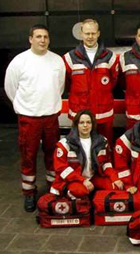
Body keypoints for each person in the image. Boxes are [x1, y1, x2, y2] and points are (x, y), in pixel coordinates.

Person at [4, 24, 66, 212]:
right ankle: (29, 193)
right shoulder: (19, 61)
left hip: (51, 116)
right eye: (38, 36)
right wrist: (24, 106)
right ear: (30, 39)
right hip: (29, 117)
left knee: (53, 154)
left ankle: (52, 188)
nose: (42, 40)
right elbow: (10, 88)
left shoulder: (57, 61)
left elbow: (60, 88)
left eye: (45, 37)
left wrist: (49, 104)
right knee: (28, 155)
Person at [63, 19, 119, 146]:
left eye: (93, 33)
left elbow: (114, 81)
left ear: (98, 33)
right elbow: (66, 84)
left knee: (105, 147)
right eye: (87, 33)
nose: (90, 37)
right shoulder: (69, 58)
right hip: (80, 114)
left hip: (103, 112)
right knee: (79, 147)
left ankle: (104, 166)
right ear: (81, 34)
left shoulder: (109, 57)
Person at [51, 110, 123, 199]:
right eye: (81, 122)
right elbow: (61, 169)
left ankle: (94, 198)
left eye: (88, 122)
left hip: (94, 177)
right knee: (79, 192)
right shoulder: (64, 144)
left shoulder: (101, 141)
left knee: (116, 187)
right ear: (76, 125)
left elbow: (106, 163)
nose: (85, 125)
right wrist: (83, 180)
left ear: (93, 124)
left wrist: (114, 178)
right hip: (73, 180)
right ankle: (70, 193)